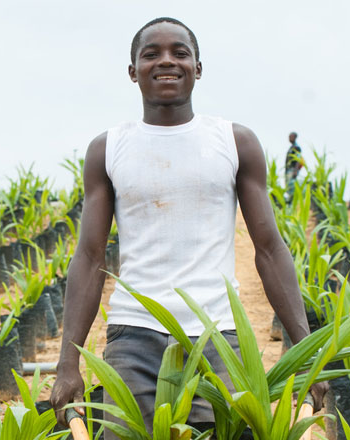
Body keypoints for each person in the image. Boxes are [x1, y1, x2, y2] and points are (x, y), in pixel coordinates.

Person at [50, 17, 327, 437]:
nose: (167, 61)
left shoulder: (235, 142)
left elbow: (269, 249)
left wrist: (305, 350)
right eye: (152, 53)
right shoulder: (108, 148)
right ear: (132, 71)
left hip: (217, 335)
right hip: (133, 335)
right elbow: (89, 258)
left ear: (198, 68)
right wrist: (67, 363)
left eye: (180, 53)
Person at [285, 131, 303, 201]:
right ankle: (289, 199)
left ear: (295, 137)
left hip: (292, 170)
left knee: (291, 186)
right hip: (289, 170)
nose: (289, 138)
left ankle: (291, 200)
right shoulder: (291, 147)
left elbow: (298, 159)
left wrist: (295, 171)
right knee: (288, 186)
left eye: (290, 137)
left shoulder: (296, 147)